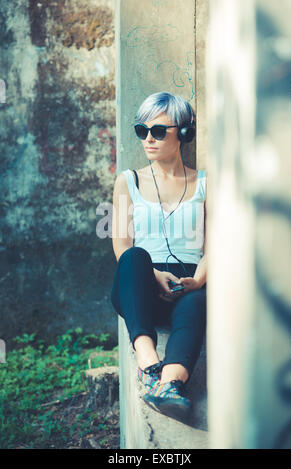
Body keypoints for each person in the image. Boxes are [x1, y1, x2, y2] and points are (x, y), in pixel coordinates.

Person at [110, 91, 207, 424]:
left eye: (158, 131)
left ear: (183, 133)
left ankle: (170, 385)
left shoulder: (207, 183)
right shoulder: (129, 181)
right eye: (142, 131)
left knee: (198, 303)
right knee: (135, 255)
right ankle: (149, 364)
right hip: (140, 284)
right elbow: (121, 244)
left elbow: (218, 243)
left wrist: (199, 279)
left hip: (188, 284)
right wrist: (153, 274)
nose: (148, 139)